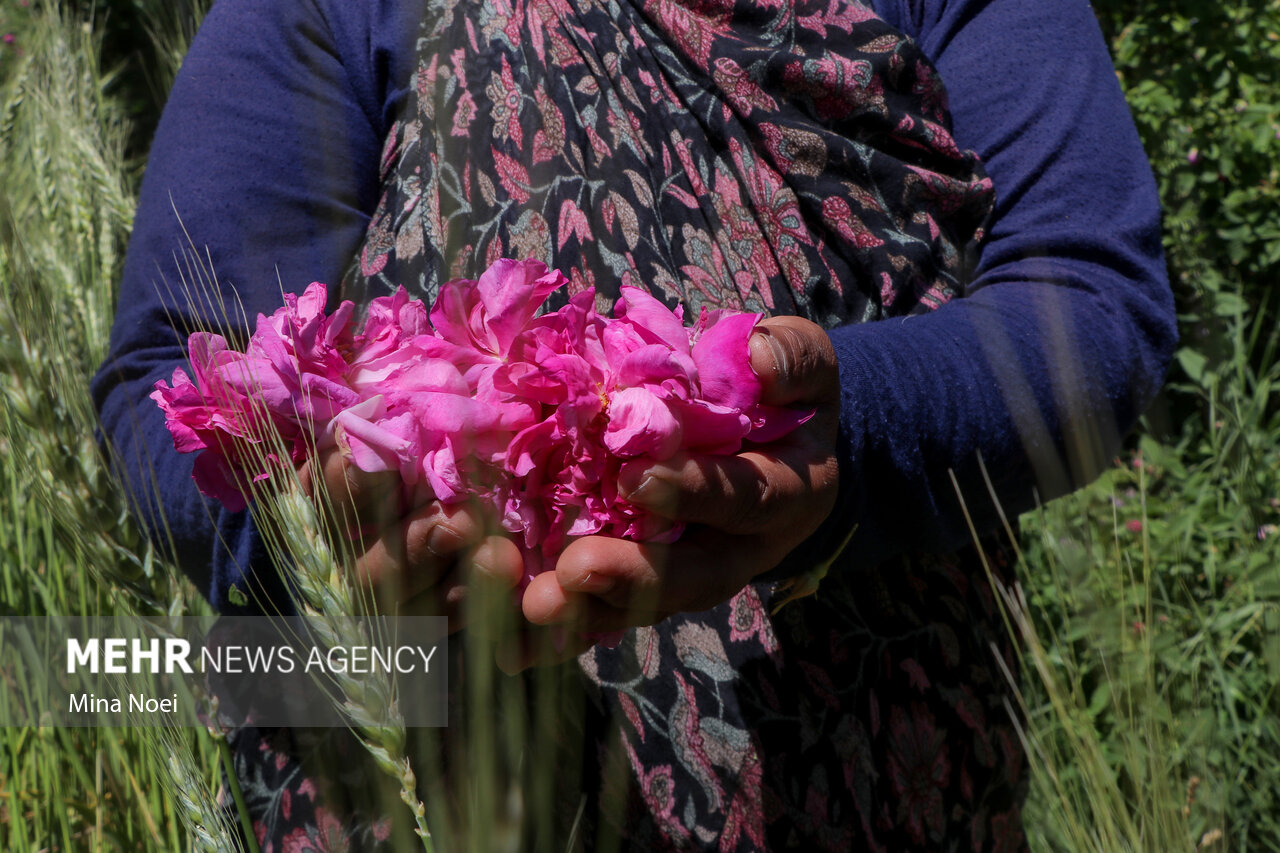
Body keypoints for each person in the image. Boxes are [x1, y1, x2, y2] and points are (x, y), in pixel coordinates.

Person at [93, 0, 1177, 848]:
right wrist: (323, 525)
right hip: (430, 787)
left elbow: (1091, 301)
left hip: (889, 767)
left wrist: (845, 421)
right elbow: (171, 375)